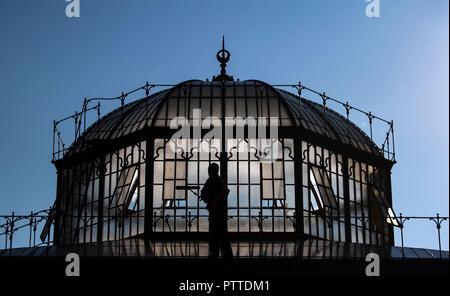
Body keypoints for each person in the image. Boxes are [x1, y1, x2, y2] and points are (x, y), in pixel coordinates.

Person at [200, 163, 233, 259]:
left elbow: (203, 192)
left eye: (210, 170)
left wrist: (208, 200)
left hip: (215, 210)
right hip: (220, 209)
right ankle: (225, 252)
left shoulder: (210, 180)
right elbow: (224, 193)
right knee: (221, 231)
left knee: (215, 230)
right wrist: (213, 201)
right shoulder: (220, 181)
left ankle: (215, 251)